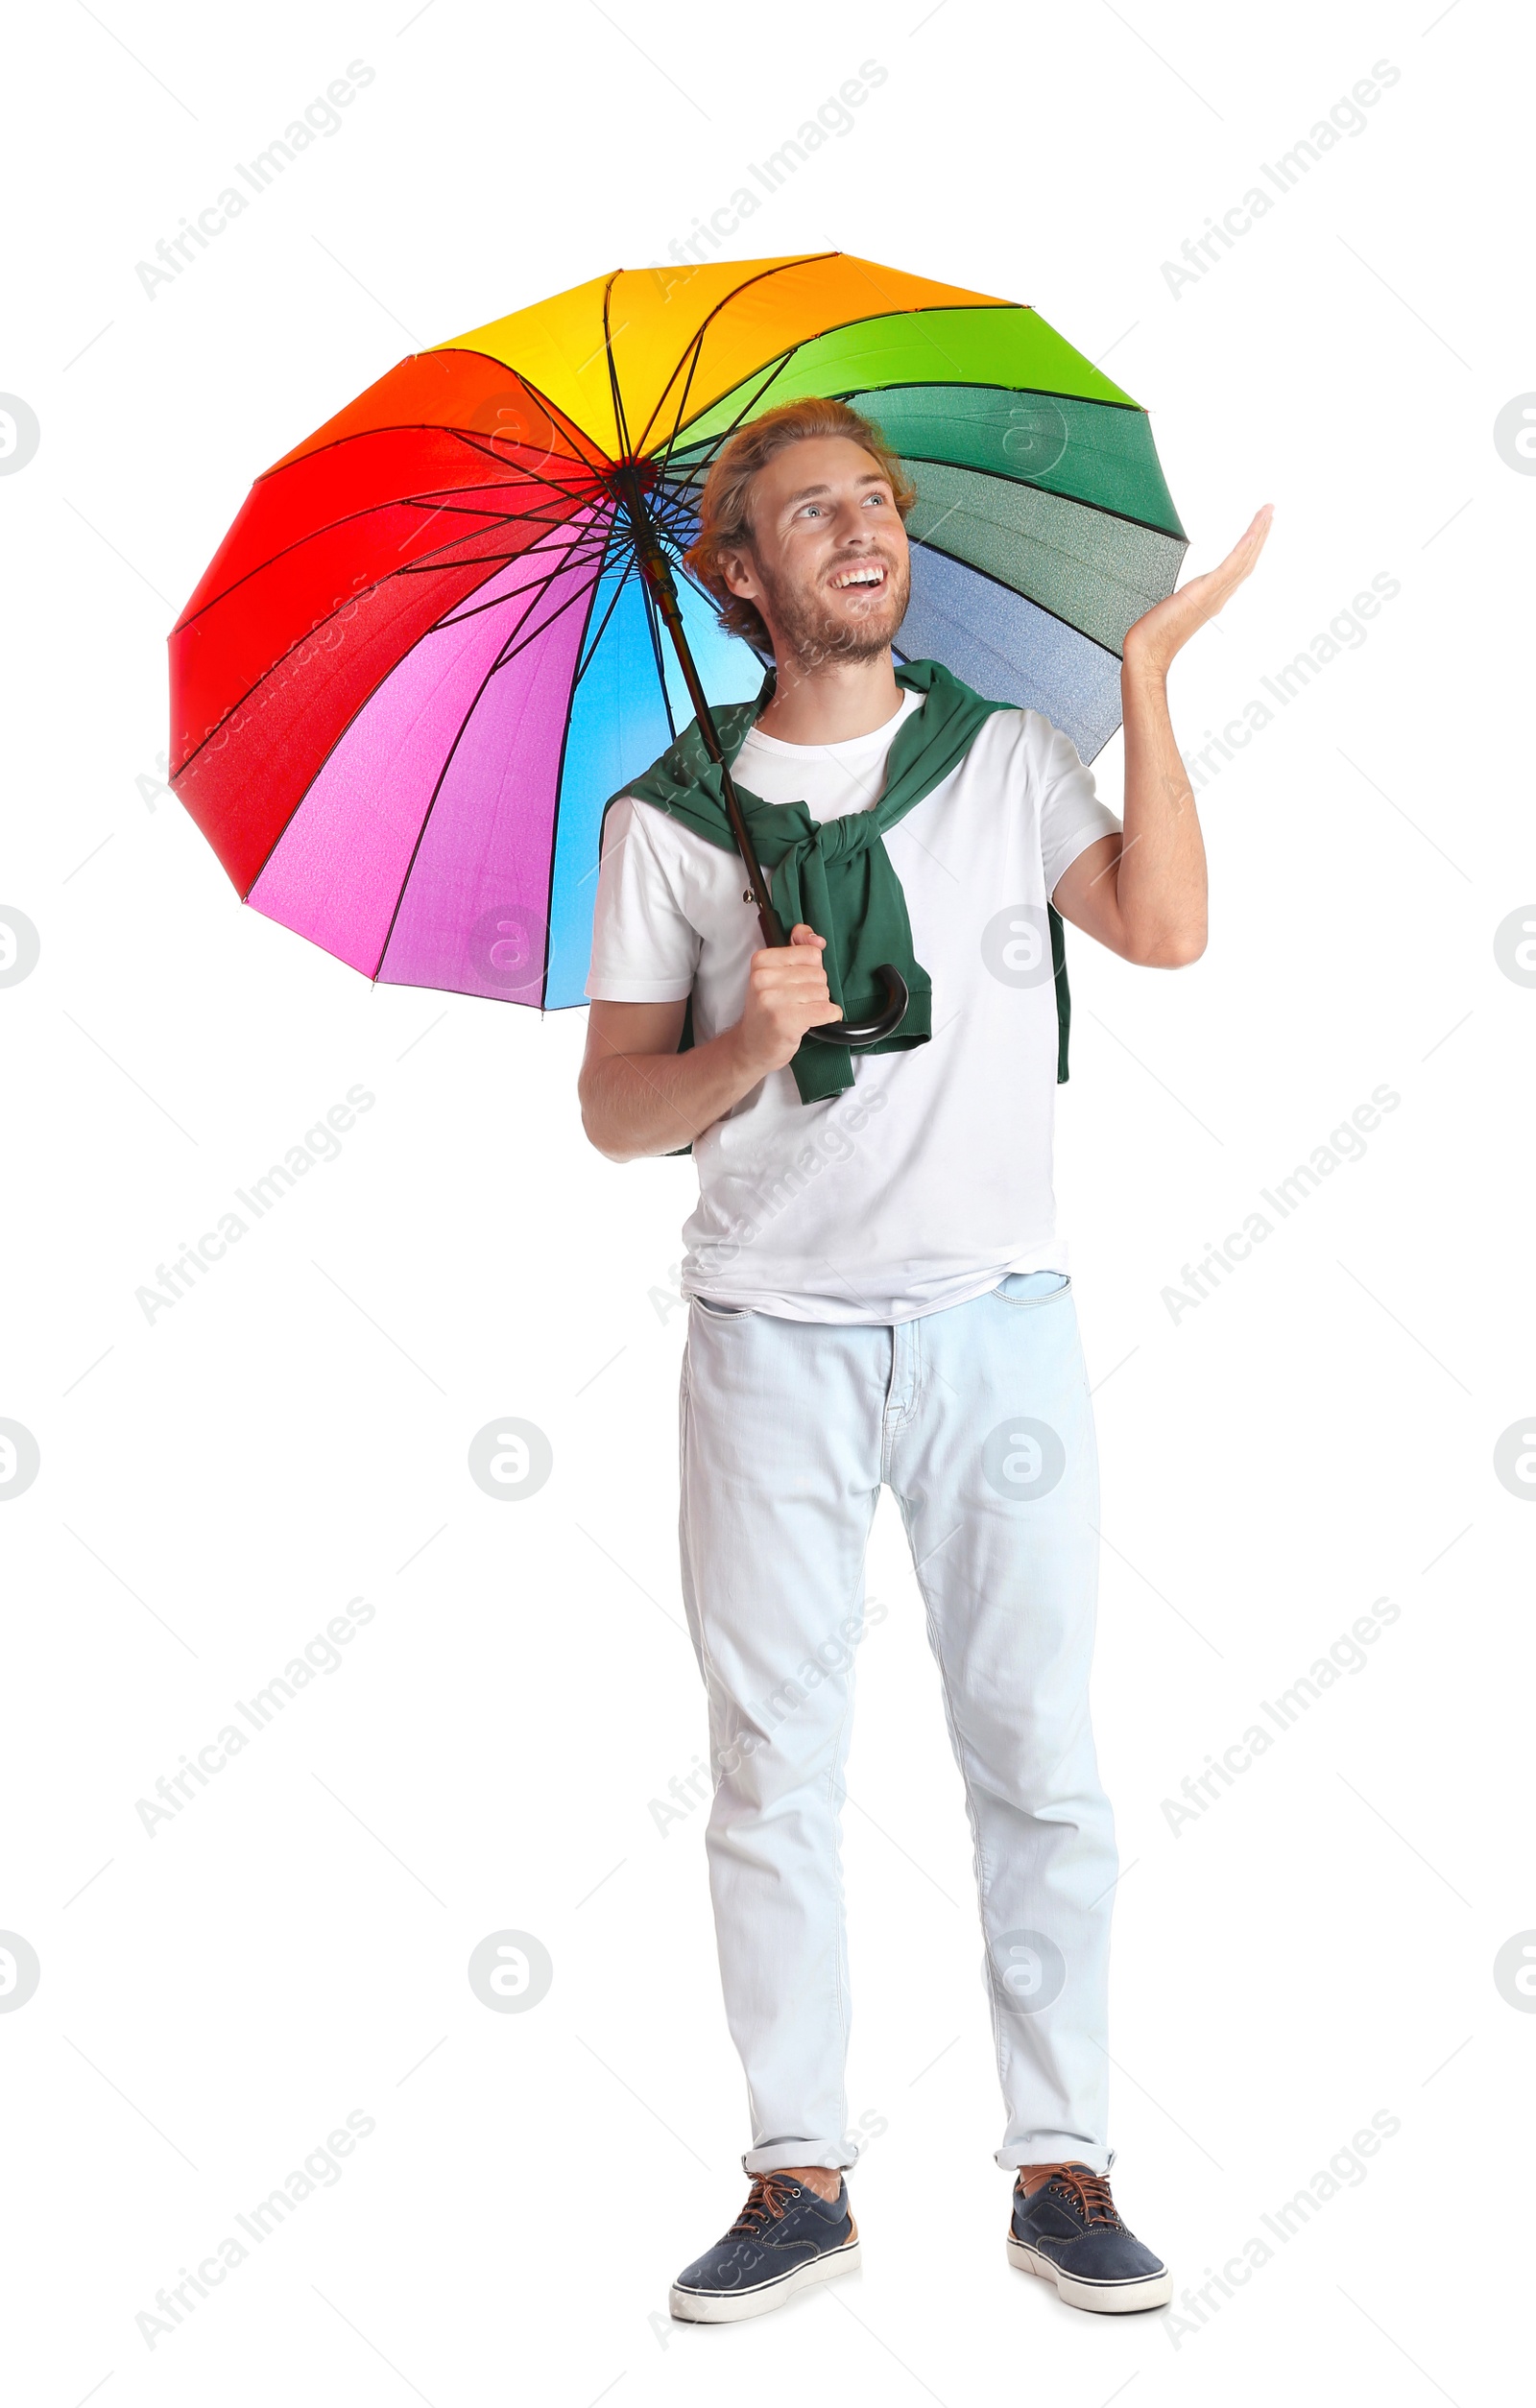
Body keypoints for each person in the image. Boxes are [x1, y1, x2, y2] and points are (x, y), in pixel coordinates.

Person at [578, 396, 1270, 2324]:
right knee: (767, 1770)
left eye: (874, 505)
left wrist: (1140, 678)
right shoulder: (665, 819)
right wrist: (737, 1043)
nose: (860, 534)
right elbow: (614, 1116)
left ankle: (1063, 2164)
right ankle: (793, 2171)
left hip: (995, 1326)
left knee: (1037, 1758)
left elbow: (1165, 923)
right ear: (734, 574)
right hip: (765, 1347)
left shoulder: (1003, 760)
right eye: (811, 515)